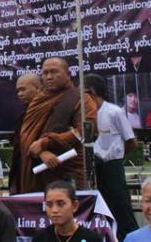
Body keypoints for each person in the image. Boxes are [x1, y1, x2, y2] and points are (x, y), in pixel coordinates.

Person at [13, 58, 98, 194]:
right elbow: (25, 135)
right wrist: (41, 152)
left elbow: (84, 132)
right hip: (35, 168)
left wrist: (47, 142)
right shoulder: (38, 100)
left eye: (54, 72)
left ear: (68, 74)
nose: (49, 77)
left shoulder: (81, 98)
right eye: (45, 73)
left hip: (66, 168)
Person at [84, 74, 139, 242]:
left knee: (120, 207)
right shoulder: (82, 114)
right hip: (90, 169)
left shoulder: (114, 112)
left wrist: (116, 159)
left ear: (91, 91)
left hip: (111, 166)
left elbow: (131, 142)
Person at [28, 181, 107, 242]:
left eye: (60, 204)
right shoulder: (41, 238)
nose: (54, 210)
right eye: (49, 204)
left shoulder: (92, 239)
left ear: (75, 206)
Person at [10, 73, 43, 194]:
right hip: (22, 170)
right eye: (18, 91)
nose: (19, 94)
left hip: (42, 168)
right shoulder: (23, 115)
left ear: (37, 88)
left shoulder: (48, 110)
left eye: (23, 89)